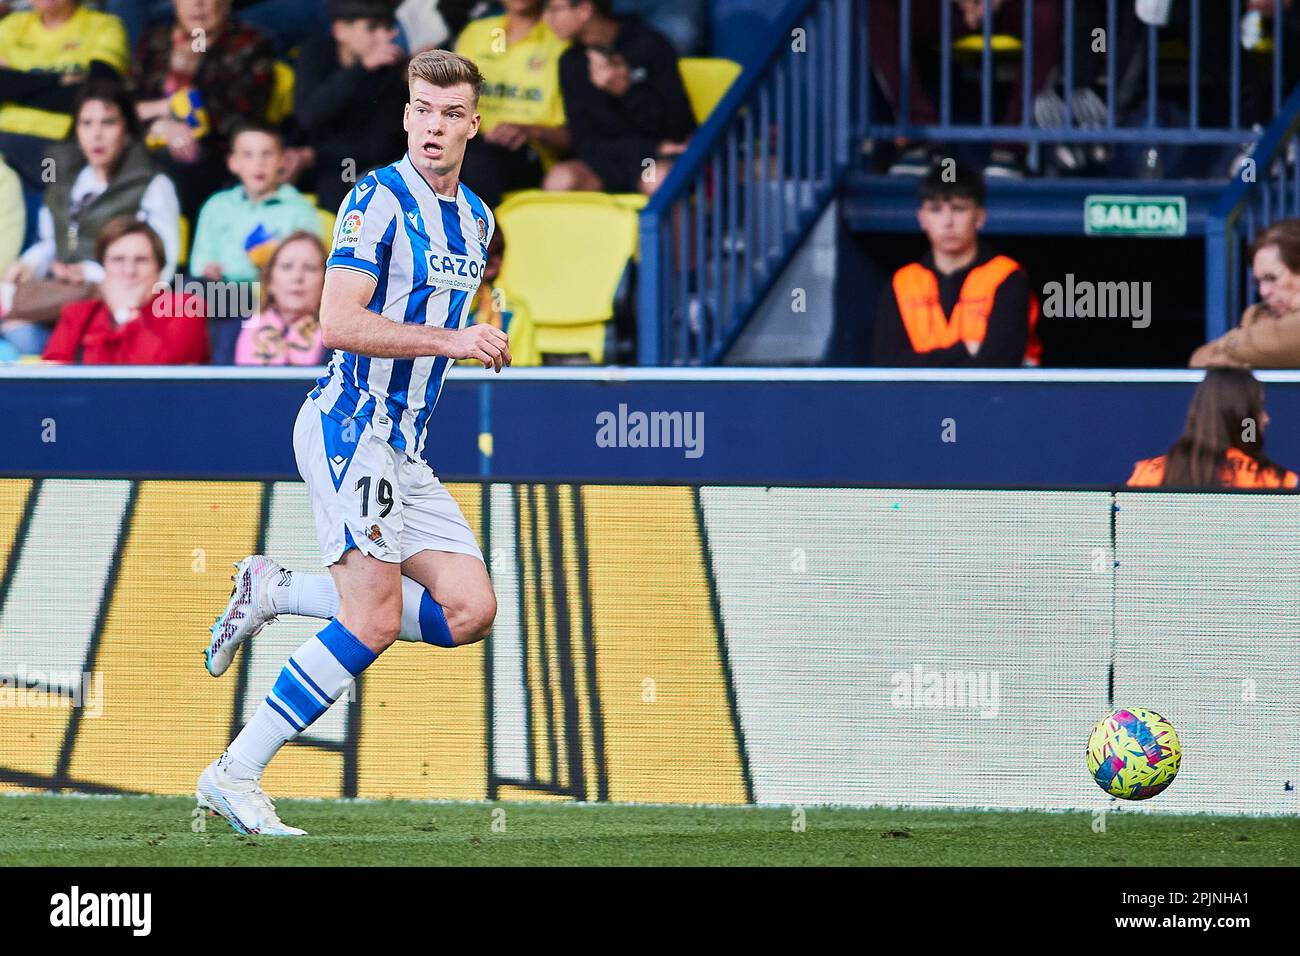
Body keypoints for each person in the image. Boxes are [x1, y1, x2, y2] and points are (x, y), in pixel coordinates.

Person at [196, 49, 511, 837]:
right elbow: (337, 324)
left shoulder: (477, 220)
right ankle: (234, 772)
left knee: (469, 609)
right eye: (421, 111)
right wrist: (451, 341)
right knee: (369, 619)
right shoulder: (374, 198)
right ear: (405, 115)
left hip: (404, 448)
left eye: (450, 114)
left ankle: (276, 590)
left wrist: (475, 337)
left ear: (474, 123)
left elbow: (438, 318)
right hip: (350, 424)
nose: (434, 126)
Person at [3, 82, 181, 354]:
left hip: (119, 306)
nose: (96, 134)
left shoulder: (153, 185)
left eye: (108, 123)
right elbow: (52, 242)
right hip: (62, 300)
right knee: (17, 331)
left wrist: (91, 272)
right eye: (86, 123)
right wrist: (28, 263)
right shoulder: (64, 182)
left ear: (128, 130)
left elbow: (162, 269)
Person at [871, 163, 1040, 367]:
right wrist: (964, 350)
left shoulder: (1007, 277)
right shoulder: (903, 282)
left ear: (979, 217)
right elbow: (887, 364)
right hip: (916, 398)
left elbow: (998, 363)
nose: (948, 221)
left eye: (959, 209)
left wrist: (922, 362)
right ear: (922, 219)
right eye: (936, 210)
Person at [869, 0, 1062, 178]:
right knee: (874, 7)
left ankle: (1011, 146)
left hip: (1007, 7)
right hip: (940, 8)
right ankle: (919, 137)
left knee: (1048, 11)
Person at [132, 0, 276, 219]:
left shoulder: (251, 44)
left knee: (180, 167)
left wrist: (179, 123)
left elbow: (237, 117)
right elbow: (124, 106)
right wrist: (162, 124)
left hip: (216, 156)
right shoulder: (155, 41)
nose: (197, 5)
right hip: (147, 143)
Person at [542, 0, 695, 197]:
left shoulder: (650, 44)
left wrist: (626, 91)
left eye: (554, 10)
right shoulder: (570, 61)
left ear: (584, 10)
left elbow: (679, 127)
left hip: (651, 159)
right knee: (559, 180)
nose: (546, 19)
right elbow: (582, 140)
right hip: (609, 161)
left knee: (657, 179)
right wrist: (651, 146)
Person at [0, 0, 129, 208]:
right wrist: (57, 80)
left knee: (49, 196)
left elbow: (95, 94)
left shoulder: (104, 26)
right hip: (4, 143)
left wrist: (17, 85)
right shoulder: (10, 26)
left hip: (58, 146)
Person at [289, 0, 408, 215]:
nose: (385, 36)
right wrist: (359, 71)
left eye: (388, 28)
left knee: (351, 192)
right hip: (319, 163)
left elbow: (379, 146)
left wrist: (316, 154)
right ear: (340, 31)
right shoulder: (315, 54)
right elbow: (308, 115)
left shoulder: (392, 69)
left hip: (364, 165)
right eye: (372, 28)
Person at [41, 216, 208, 364]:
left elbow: (157, 378)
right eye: (118, 259)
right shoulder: (78, 315)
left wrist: (126, 314)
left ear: (159, 268)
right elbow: (52, 384)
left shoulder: (185, 309)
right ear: (103, 267)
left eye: (141, 260)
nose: (129, 271)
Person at [455, 0, 569, 209]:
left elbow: (578, 135)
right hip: (469, 141)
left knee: (481, 159)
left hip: (530, 153)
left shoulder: (562, 40)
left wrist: (531, 131)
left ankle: (482, 237)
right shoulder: (476, 33)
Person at [188, 121, 322, 284]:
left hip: (273, 295)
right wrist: (208, 270)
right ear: (233, 162)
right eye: (248, 154)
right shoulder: (216, 206)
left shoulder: (300, 209)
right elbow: (199, 263)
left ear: (283, 160)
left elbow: (311, 267)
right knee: (192, 287)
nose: (259, 163)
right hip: (221, 294)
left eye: (267, 154)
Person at [1127, 368, 1297, 489]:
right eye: (1259, 408)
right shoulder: (1274, 480)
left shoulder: (1146, 474)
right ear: (1246, 419)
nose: (1266, 419)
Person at [1191, 220, 1300, 369]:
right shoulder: (1257, 315)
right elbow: (1198, 358)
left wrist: (1226, 347)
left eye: (1271, 278)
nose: (1263, 291)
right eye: (1258, 282)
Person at [213, 230, 327, 365]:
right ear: (270, 281)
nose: (297, 277)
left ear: (326, 281)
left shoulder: (340, 342)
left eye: (309, 268)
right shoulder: (232, 331)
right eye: (286, 266)